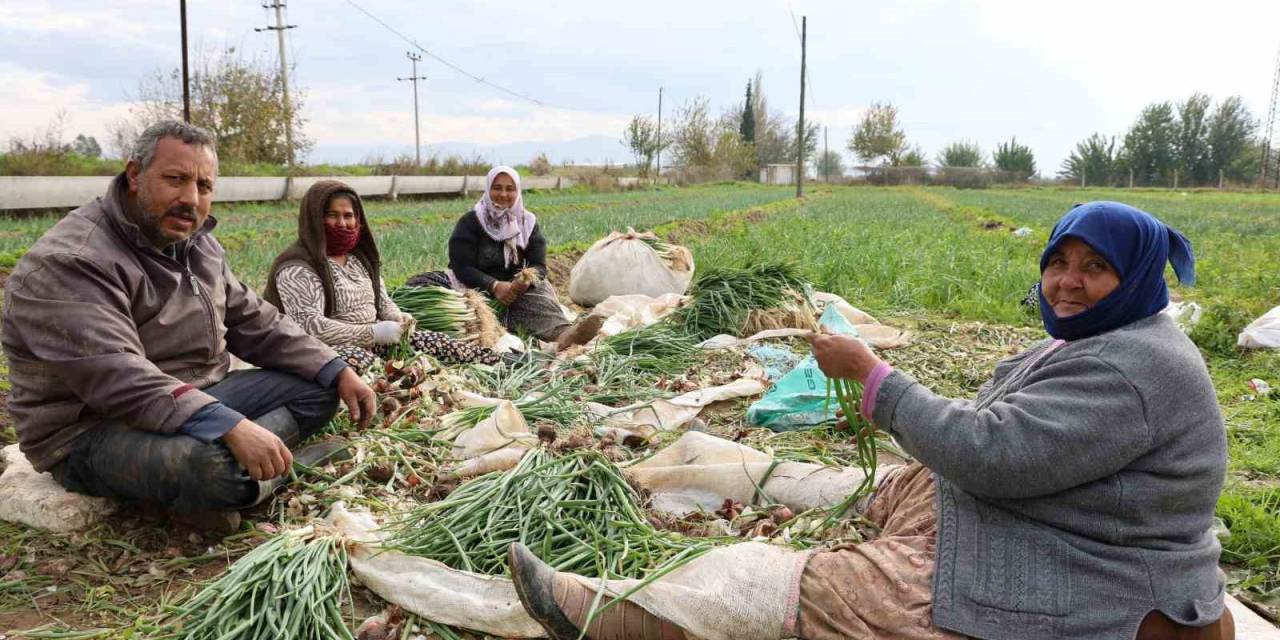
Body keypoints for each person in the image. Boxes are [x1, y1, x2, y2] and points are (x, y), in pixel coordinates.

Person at [505, 201, 1233, 640]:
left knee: (837, 590)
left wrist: (872, 376)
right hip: (1069, 527)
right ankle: (752, 509)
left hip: (1101, 581)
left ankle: (620, 616)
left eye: (1094, 268)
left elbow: (990, 453)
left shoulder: (1133, 368)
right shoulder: (1107, 338)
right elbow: (1003, 427)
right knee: (913, 486)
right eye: (1059, 261)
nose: (1069, 282)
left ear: (1133, 277)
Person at [2, 121, 376, 532]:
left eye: (203, 186)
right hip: (91, 429)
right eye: (175, 180)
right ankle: (284, 467)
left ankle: (250, 473)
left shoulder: (195, 243)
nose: (190, 199)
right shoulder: (75, 260)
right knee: (210, 467)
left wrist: (335, 367)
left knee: (320, 386)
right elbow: (116, 377)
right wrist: (228, 424)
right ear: (134, 175)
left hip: (195, 395)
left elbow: (254, 318)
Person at [262, 180, 502, 373]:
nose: (343, 223)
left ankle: (497, 361)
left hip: (373, 343)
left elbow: (382, 300)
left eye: (349, 216)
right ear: (314, 218)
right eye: (333, 215)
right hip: (317, 352)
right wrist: (372, 333)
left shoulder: (359, 260)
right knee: (362, 363)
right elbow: (310, 326)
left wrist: (397, 317)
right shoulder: (298, 266)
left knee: (433, 342)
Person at [406, 166, 603, 350]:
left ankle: (564, 336)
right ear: (488, 189)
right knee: (418, 284)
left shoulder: (528, 222)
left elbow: (539, 266)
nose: (503, 194)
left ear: (517, 192)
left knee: (538, 299)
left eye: (510, 189)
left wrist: (523, 282)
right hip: (471, 286)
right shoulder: (471, 221)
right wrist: (493, 285)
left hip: (515, 291)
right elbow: (461, 265)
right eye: (497, 188)